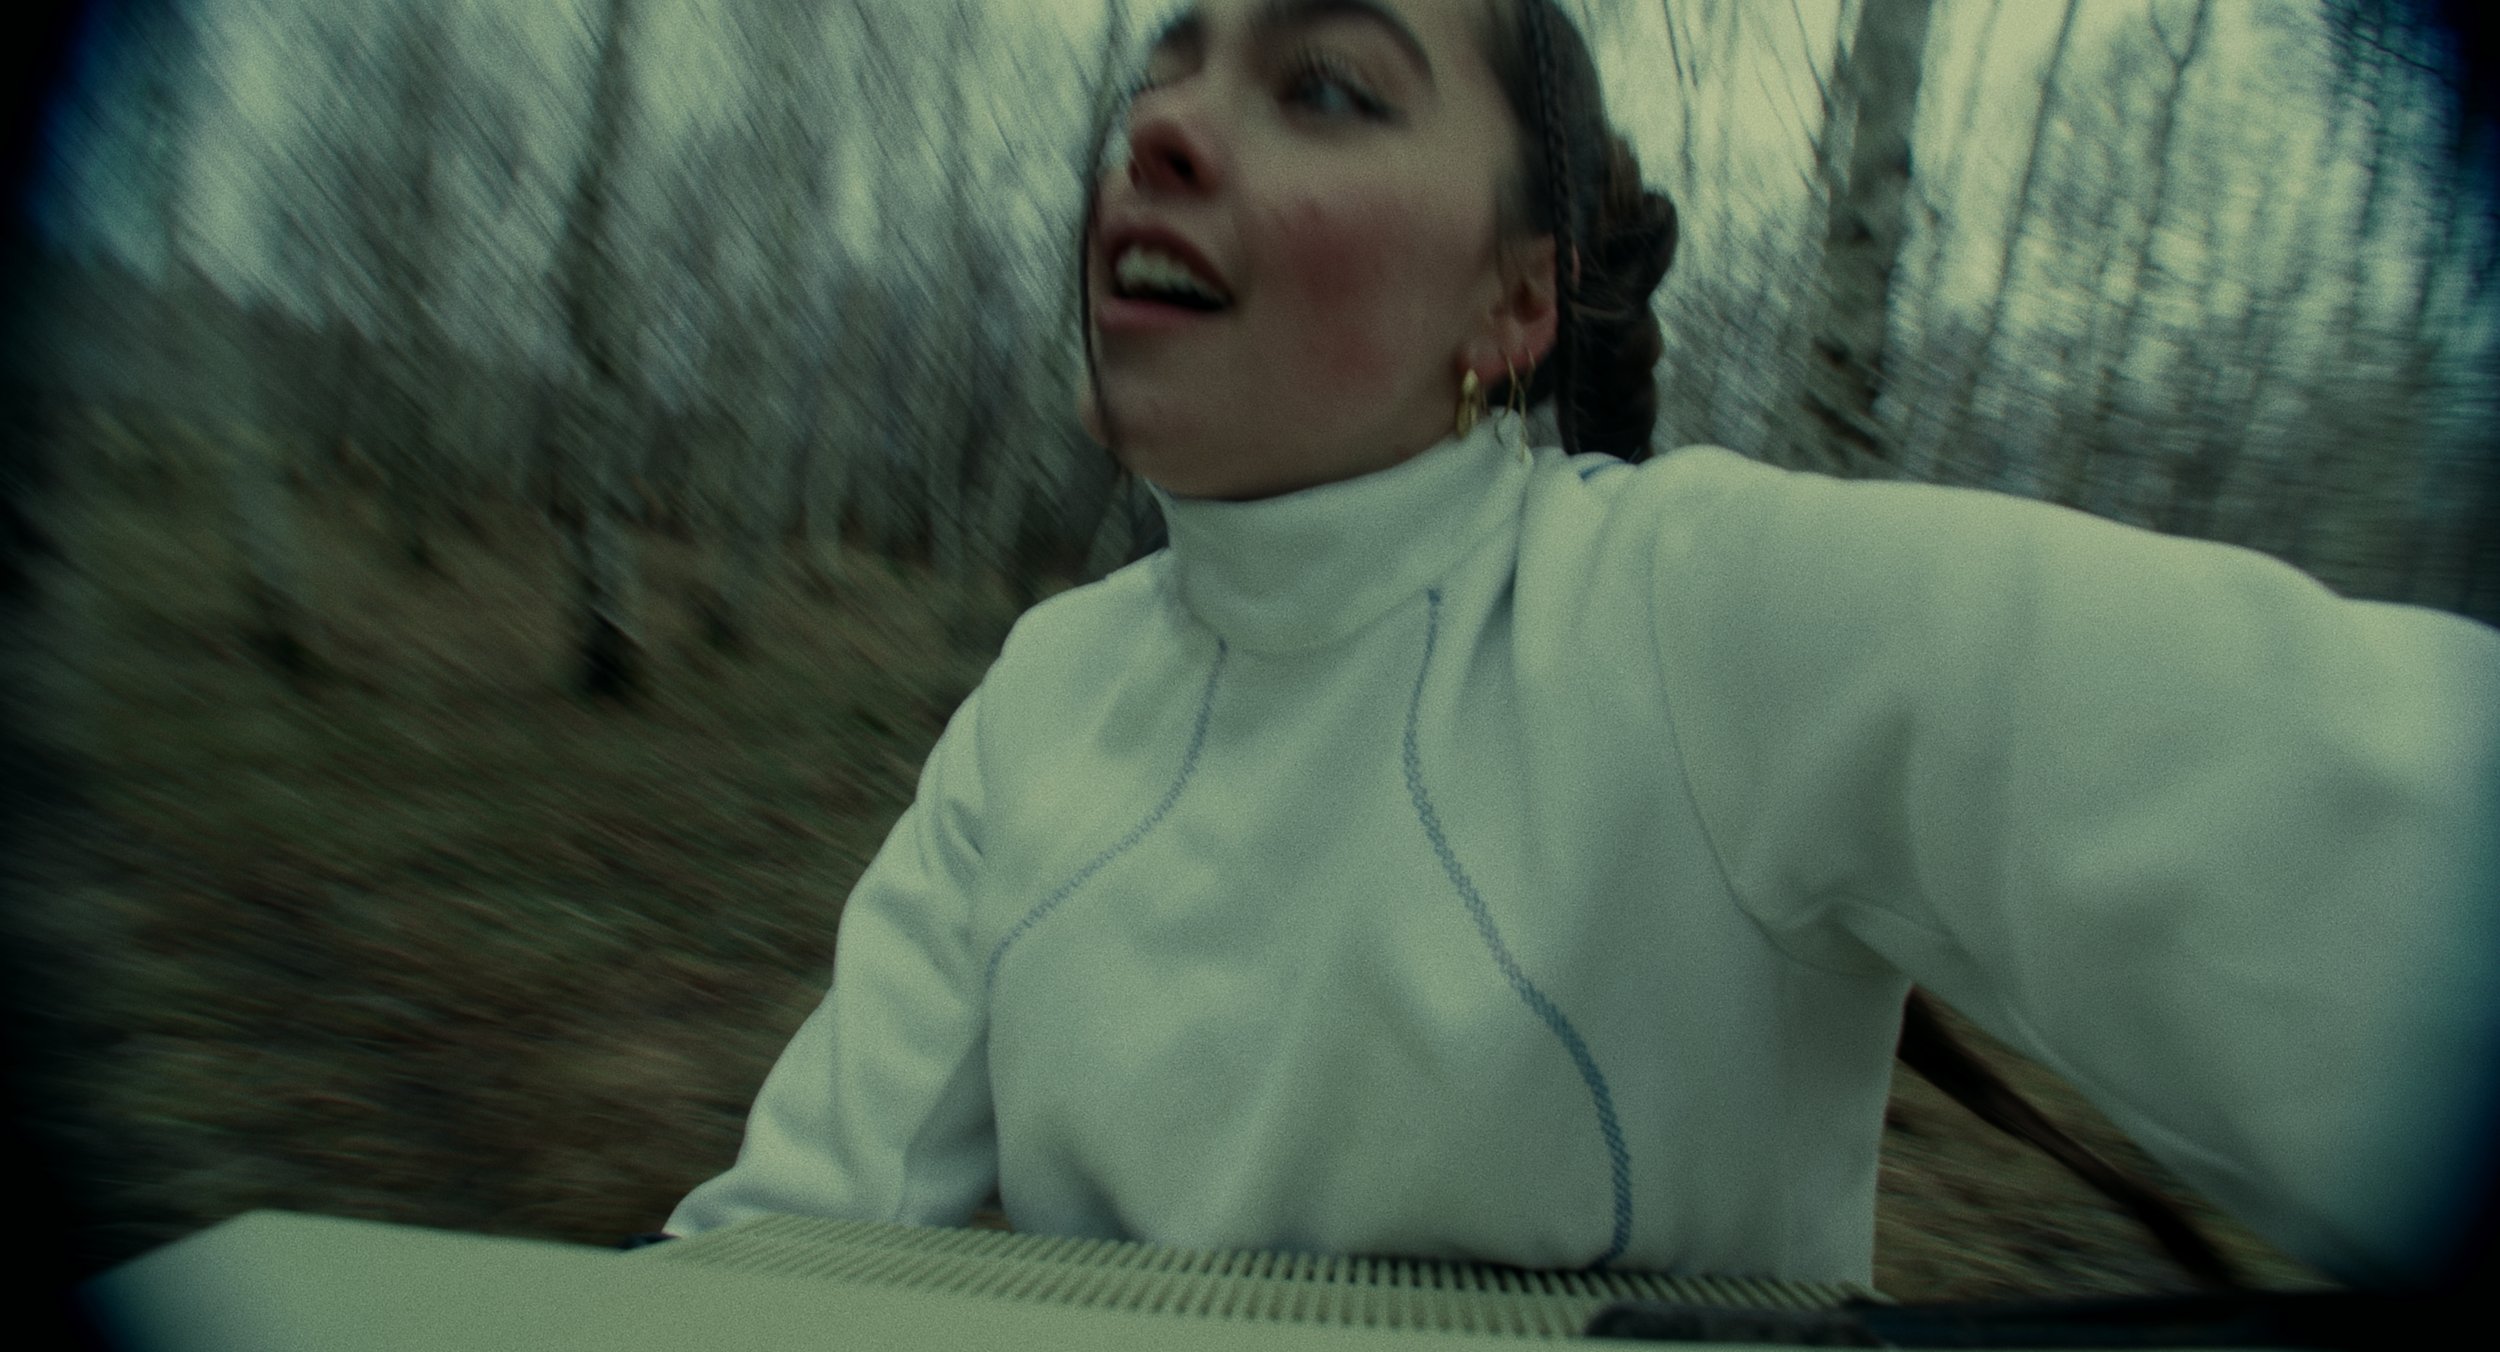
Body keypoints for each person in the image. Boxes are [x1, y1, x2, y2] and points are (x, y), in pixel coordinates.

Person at [663, 0, 2500, 1292]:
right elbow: (776, 1258)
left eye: (1325, 89)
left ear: (1516, 298)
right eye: (1165, 72)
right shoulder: (1040, 695)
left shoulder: (1708, 607)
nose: (1154, 131)